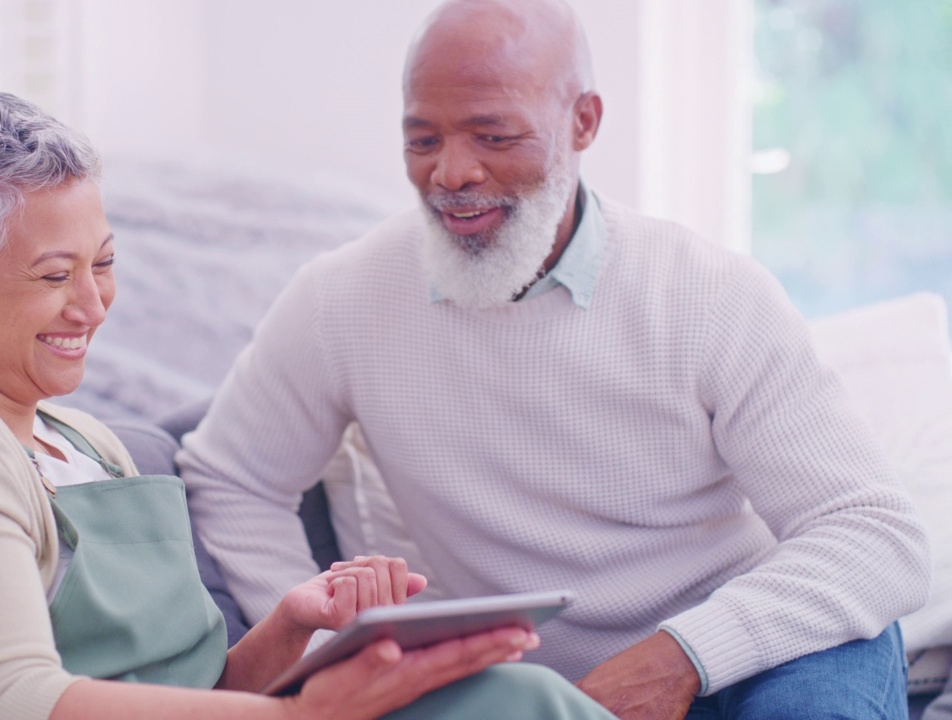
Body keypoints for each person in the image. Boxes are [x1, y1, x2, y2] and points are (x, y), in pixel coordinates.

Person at [176, 1, 932, 718]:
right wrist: (328, 647)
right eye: (423, 139)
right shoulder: (343, 298)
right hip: (539, 694)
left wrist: (679, 657)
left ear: (583, 122)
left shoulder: (709, 293)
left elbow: (873, 534)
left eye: (494, 137)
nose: (452, 174)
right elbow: (230, 474)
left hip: (753, 652)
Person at [0, 92, 617, 720]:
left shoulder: (90, 443)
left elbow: (194, 691)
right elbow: (10, 702)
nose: (93, 306)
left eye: (106, 263)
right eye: (56, 276)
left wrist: (294, 628)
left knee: (511, 700)